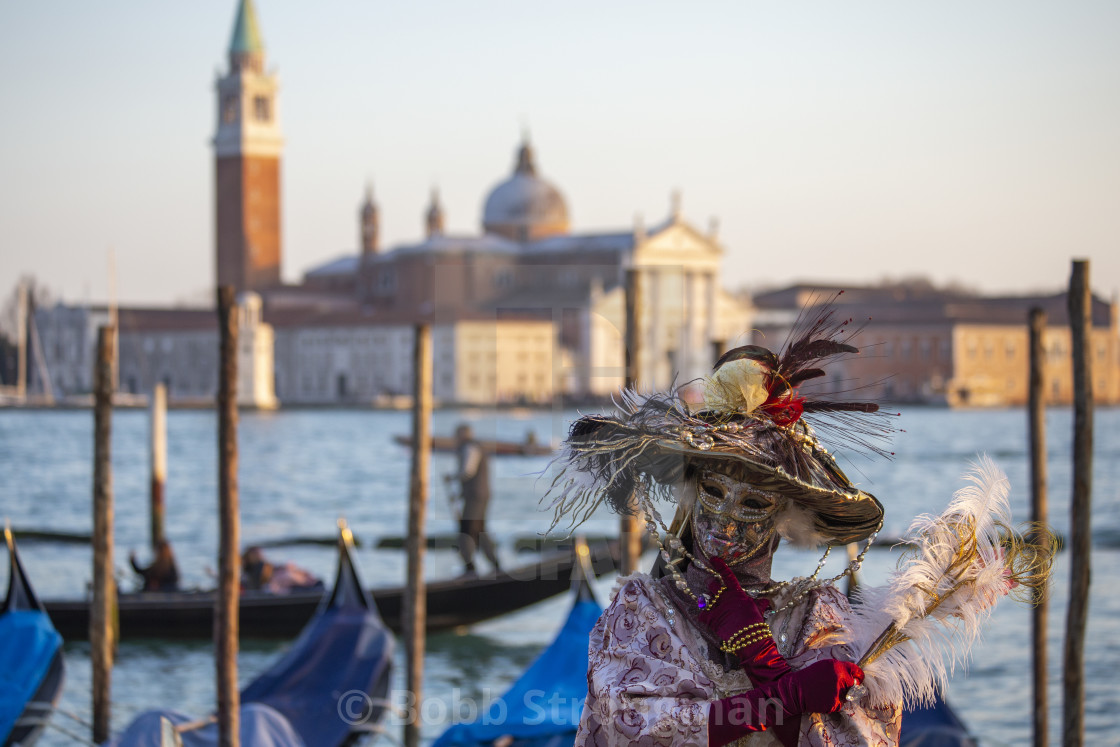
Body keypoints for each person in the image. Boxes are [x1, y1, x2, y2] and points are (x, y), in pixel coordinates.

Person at [545, 327, 903, 746]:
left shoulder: (820, 620)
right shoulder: (642, 613)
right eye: (714, 494)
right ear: (692, 495)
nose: (727, 525)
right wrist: (781, 696)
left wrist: (766, 662)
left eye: (753, 504)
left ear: (786, 518)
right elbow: (638, 726)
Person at [447, 422, 501, 575]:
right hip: (479, 495)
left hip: (476, 496)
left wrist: (451, 478)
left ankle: (470, 568)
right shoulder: (474, 447)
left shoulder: (469, 447)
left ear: (462, 435)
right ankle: (495, 565)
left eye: (456, 436)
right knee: (479, 530)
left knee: (466, 529)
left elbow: (467, 472)